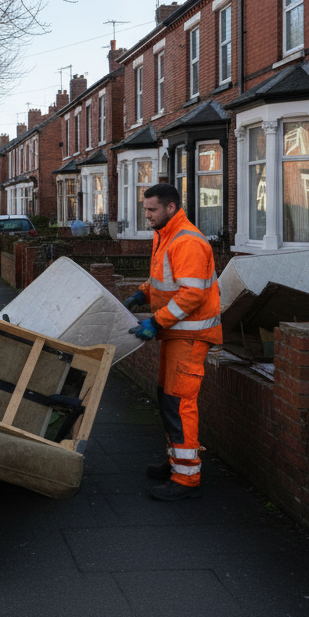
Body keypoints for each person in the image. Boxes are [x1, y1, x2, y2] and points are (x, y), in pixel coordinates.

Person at [123, 182, 222, 502]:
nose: (147, 215)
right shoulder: (166, 236)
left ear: (170, 207)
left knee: (179, 405)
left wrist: (156, 321)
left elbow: (191, 294)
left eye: (152, 209)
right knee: (167, 399)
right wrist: (143, 293)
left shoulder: (187, 241)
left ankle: (186, 478)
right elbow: (163, 280)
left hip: (189, 336)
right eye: (145, 208)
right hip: (177, 334)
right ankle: (174, 462)